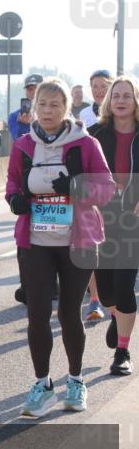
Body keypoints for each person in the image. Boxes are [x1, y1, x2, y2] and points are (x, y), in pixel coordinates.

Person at [5, 78, 115, 417]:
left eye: (55, 105)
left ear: (66, 108)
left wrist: (76, 185)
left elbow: (107, 188)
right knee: (37, 314)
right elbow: (11, 180)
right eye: (43, 105)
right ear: (34, 108)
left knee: (69, 314)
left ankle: (76, 380)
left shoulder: (85, 143)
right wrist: (14, 199)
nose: (48, 111)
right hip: (35, 241)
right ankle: (42, 384)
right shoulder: (24, 145)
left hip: (77, 240)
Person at [89, 75, 139, 376]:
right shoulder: (95, 134)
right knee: (106, 291)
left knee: (123, 285)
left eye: (127, 95)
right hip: (101, 219)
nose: (121, 100)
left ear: (136, 102)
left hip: (133, 222)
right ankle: (115, 314)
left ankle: (123, 350)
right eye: (116, 95)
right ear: (109, 101)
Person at [81, 70, 115, 320]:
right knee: (95, 250)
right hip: (97, 194)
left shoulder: (128, 118)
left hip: (124, 197)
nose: (98, 90)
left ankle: (117, 307)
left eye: (103, 86)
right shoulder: (85, 117)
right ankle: (94, 300)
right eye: (94, 86)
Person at [8, 74, 44, 141]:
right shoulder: (14, 116)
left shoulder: (49, 113)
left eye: (37, 89)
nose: (34, 92)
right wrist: (24, 125)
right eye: (30, 89)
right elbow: (18, 140)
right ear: (26, 92)